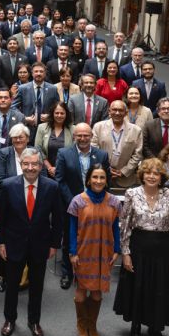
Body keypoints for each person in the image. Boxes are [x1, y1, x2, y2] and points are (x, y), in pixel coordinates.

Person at [0, 148, 63, 336]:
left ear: (41, 166)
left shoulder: (52, 187)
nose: (30, 168)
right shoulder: (8, 186)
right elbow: (1, 219)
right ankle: (9, 320)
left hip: (40, 245)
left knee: (37, 286)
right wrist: (1, 242)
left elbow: (58, 219)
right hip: (13, 244)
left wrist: (54, 244)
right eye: (26, 164)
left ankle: (34, 321)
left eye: (34, 164)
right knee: (12, 286)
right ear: (21, 165)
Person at [114, 158, 169, 336]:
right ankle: (135, 327)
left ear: (161, 177)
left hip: (162, 250)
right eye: (148, 173)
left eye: (156, 173)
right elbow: (125, 225)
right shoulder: (132, 193)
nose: (152, 176)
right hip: (138, 248)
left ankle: (155, 328)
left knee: (159, 289)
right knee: (138, 287)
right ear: (142, 175)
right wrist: (125, 253)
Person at [66, 164, 121, 336]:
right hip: (83, 252)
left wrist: (117, 249)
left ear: (106, 180)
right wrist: (72, 252)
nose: (98, 181)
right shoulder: (78, 201)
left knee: (97, 294)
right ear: (89, 180)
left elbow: (116, 228)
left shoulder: (114, 202)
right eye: (95, 177)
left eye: (102, 177)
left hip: (104, 252)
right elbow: (72, 229)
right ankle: (81, 325)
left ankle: (92, 325)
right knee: (81, 293)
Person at [55, 123, 111, 289]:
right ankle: (67, 273)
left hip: (95, 205)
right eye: (79, 135)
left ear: (91, 136)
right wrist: (74, 202)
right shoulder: (64, 153)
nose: (82, 138)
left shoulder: (102, 155)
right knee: (69, 238)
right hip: (71, 204)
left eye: (86, 135)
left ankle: (89, 271)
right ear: (74, 136)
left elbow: (106, 180)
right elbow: (60, 180)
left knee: (91, 238)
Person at [92, 100, 143, 194]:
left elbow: (138, 154)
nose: (117, 113)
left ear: (126, 113)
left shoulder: (136, 130)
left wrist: (124, 171)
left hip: (126, 179)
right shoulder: (98, 127)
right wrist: (106, 168)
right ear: (109, 111)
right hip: (102, 177)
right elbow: (94, 150)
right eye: (114, 110)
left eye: (120, 110)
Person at [34, 101, 73, 180]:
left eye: (62, 113)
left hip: (66, 171)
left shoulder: (73, 129)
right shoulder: (42, 127)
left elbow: (74, 152)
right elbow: (38, 149)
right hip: (45, 171)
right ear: (52, 114)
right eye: (57, 113)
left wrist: (59, 169)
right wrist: (49, 167)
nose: (59, 115)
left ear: (66, 114)